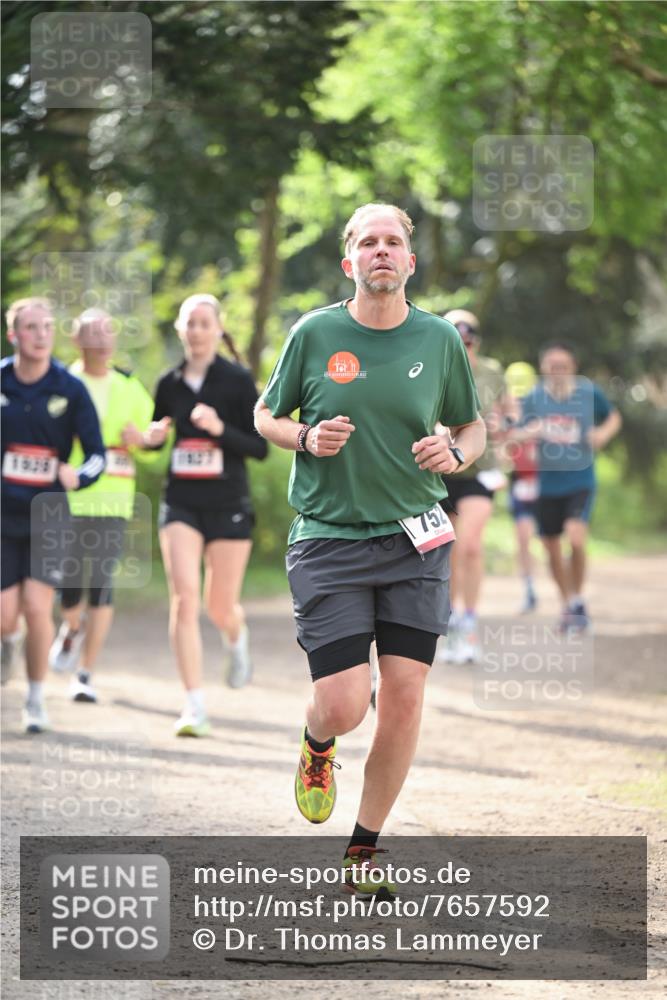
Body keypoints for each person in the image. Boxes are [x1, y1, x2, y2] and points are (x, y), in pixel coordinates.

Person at [255, 203, 485, 895]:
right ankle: (317, 742)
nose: (381, 252)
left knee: (407, 695)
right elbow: (266, 414)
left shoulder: (438, 337)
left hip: (415, 537)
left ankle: (363, 850)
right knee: (345, 704)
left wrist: (453, 453)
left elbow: (471, 429)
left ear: (409, 261)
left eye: (393, 243)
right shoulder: (315, 332)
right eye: (367, 243)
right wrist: (303, 437)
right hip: (328, 538)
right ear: (348, 260)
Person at [144, 293, 268, 737]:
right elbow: (157, 437)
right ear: (181, 330)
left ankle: (236, 637)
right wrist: (153, 436)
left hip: (228, 503)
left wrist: (220, 430)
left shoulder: (236, 381)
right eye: (189, 323)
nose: (196, 331)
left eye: (204, 323)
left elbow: (260, 447)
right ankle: (194, 704)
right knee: (184, 598)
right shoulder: (169, 383)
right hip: (181, 502)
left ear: (218, 329)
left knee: (219, 606)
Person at [1, 298, 105, 732]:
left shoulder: (69, 388)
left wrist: (76, 476)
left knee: (36, 606)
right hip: (3, 514)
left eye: (46, 327)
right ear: (14, 336)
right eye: (31, 327)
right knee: (6, 615)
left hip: (49, 516)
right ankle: (8, 641)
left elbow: (97, 455)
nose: (41, 334)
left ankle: (35, 699)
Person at [48, 308, 157, 703]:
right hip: (70, 497)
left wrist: (144, 438)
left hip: (114, 499)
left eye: (107, 332)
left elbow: (153, 440)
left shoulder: (129, 387)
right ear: (77, 341)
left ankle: (85, 673)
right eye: (92, 333)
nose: (102, 339)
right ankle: (71, 628)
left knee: (102, 583)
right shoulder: (62, 383)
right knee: (68, 587)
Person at [513, 341, 621, 631]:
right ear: (544, 369)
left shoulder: (588, 393)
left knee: (575, 537)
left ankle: (577, 597)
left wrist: (601, 434)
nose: (558, 372)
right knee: (550, 546)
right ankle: (568, 603)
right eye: (552, 367)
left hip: (580, 479)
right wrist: (530, 432)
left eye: (563, 366)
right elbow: (515, 434)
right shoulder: (534, 398)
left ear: (573, 367)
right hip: (547, 484)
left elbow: (613, 418)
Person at [438, 310, 506, 664]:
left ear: (475, 339)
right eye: (456, 337)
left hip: (481, 470)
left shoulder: (492, 371)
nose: (463, 344)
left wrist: (501, 424)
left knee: (471, 546)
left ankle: (470, 621)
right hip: (444, 469)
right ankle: (449, 624)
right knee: (447, 550)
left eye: (468, 338)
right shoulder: (434, 366)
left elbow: (509, 415)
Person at [504, 361, 540, 614]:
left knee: (553, 538)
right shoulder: (504, 414)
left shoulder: (542, 409)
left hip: (545, 482)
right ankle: (529, 589)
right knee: (523, 538)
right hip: (519, 482)